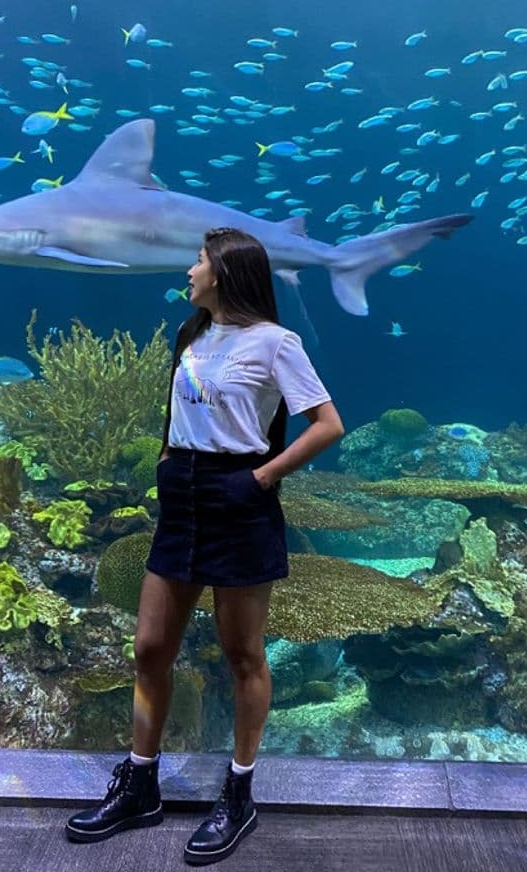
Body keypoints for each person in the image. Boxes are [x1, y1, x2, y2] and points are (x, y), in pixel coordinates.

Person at [66, 226, 344, 864]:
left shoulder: (277, 343)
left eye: (197, 261)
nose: (189, 270)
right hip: (183, 496)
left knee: (243, 654)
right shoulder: (190, 333)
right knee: (150, 647)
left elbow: (327, 423)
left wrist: (264, 477)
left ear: (223, 272)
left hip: (239, 496)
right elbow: (179, 415)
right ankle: (140, 782)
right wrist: (167, 461)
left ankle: (239, 792)